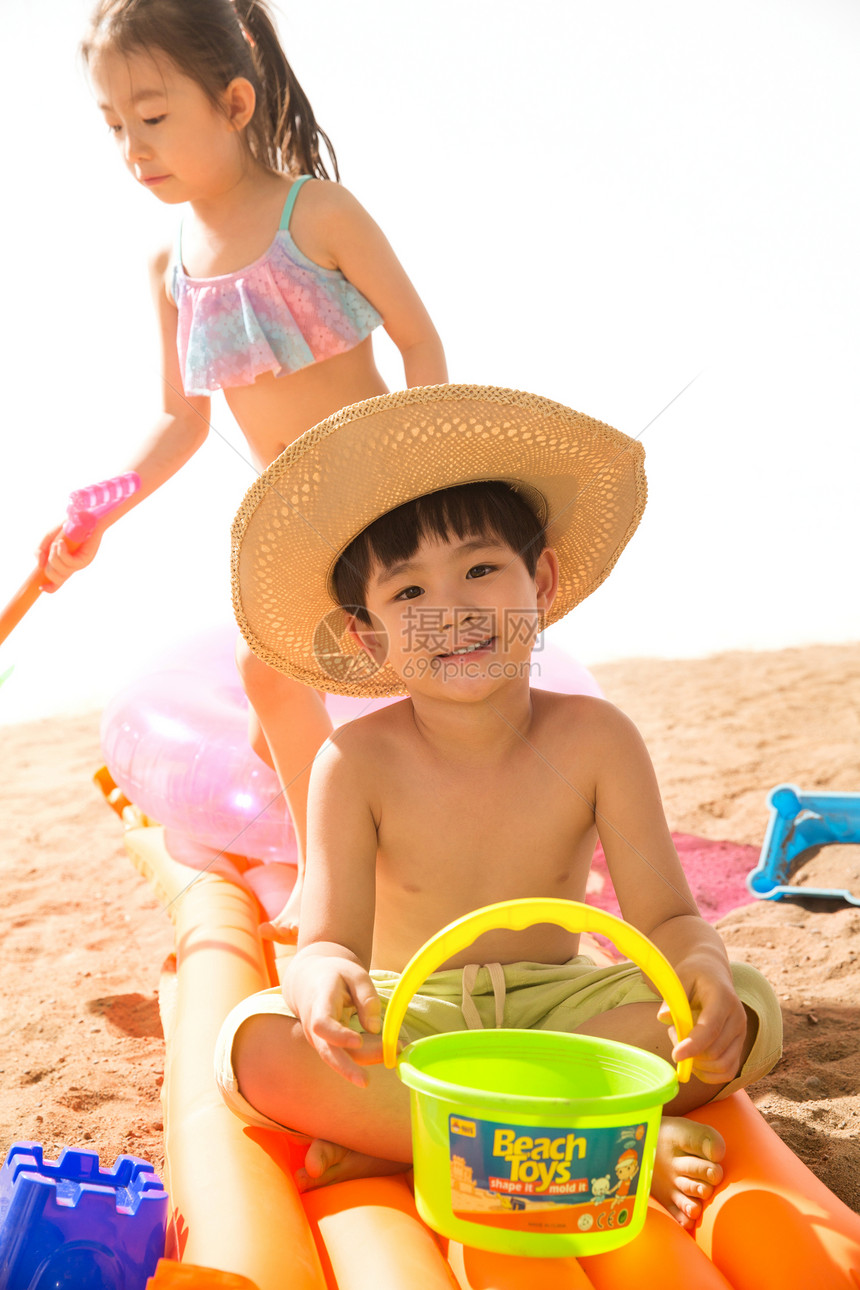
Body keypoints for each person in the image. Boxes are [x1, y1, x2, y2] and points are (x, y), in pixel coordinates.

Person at [215, 385, 782, 1230]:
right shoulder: (354, 761)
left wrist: (696, 965)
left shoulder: (597, 739)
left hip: (563, 1007)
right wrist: (319, 979)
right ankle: (599, 1144)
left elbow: (667, 916)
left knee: (746, 1002)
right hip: (418, 1010)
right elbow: (326, 941)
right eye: (408, 594)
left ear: (541, 582)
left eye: (481, 569)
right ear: (367, 637)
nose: (453, 611)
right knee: (256, 1051)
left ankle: (417, 1138)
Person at [39, 0, 447, 934]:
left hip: (381, 490)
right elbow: (184, 420)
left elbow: (419, 339)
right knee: (271, 701)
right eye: (113, 127)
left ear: (232, 101)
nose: (134, 148)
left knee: (320, 672)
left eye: (152, 116)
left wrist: (423, 468)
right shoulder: (168, 266)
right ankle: (324, 858)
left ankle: (351, 866)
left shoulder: (320, 212)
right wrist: (103, 508)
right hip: (286, 514)